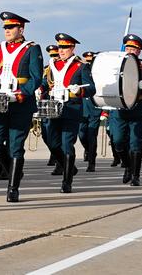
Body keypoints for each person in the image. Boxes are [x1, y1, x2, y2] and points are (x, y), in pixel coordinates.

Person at [0, 12, 44, 202]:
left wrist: (22, 93)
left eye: (11, 27)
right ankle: (13, 171)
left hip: (21, 104)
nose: (7, 30)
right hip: (0, 103)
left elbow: (36, 78)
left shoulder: (32, 49)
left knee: (15, 146)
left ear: (21, 29)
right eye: (5, 27)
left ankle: (13, 188)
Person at [41, 33, 94, 193]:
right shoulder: (52, 65)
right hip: (53, 109)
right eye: (60, 47)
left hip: (71, 109)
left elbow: (91, 88)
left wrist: (79, 91)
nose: (61, 50)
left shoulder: (81, 66)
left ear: (72, 48)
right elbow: (45, 83)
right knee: (52, 143)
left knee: (67, 144)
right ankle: (69, 167)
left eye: (65, 47)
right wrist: (40, 89)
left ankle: (67, 182)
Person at [109, 34, 142, 187]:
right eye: (128, 48)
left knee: (136, 143)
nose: (131, 51)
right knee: (118, 141)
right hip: (120, 110)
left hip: (138, 110)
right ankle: (127, 166)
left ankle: (135, 176)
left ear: (139, 52)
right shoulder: (116, 66)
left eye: (134, 49)